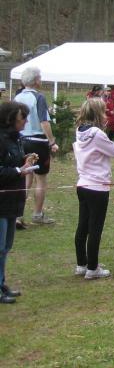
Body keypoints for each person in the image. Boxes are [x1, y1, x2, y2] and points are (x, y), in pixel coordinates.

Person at [73, 98, 114, 280]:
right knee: (95, 228)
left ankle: (81, 264)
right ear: (98, 113)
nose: (106, 114)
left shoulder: (80, 130)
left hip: (83, 183)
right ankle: (92, 268)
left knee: (83, 226)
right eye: (103, 111)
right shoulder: (97, 134)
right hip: (98, 186)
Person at [0, 101, 38, 303]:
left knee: (5, 247)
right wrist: (18, 171)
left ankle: (1, 283)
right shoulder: (1, 140)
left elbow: (13, 161)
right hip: (2, 200)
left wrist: (26, 160)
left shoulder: (16, 139)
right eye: (22, 118)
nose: (25, 122)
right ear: (11, 119)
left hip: (13, 200)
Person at [14, 67, 59, 224]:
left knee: (26, 177)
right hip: (38, 142)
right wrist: (52, 141)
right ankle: (37, 214)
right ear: (35, 81)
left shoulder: (17, 97)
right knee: (41, 179)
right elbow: (44, 121)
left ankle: (18, 215)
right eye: (39, 77)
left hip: (20, 140)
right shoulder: (39, 97)